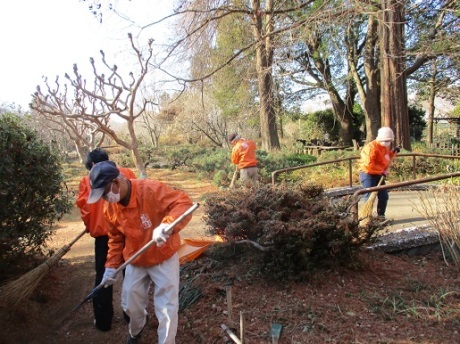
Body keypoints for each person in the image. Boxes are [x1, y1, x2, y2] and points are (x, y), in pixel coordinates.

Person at [87, 160, 193, 344]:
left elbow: (183, 202)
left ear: (116, 182)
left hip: (162, 256)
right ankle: (136, 331)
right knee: (130, 305)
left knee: (167, 307)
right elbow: (115, 238)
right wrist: (111, 267)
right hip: (135, 259)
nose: (105, 199)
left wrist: (167, 225)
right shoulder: (110, 208)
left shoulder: (150, 189)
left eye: (105, 194)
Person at [76, 148, 136, 332]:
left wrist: (91, 225)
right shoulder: (126, 173)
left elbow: (85, 208)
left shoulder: (87, 180)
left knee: (104, 276)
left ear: (93, 165)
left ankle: (103, 322)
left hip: (104, 236)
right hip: (127, 232)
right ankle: (131, 316)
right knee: (131, 274)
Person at [358, 126, 401, 220]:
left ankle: (381, 215)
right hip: (368, 174)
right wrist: (381, 171)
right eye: (386, 140)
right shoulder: (371, 148)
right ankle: (366, 217)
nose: (388, 143)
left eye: (389, 141)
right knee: (369, 196)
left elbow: (386, 157)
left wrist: (393, 152)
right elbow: (369, 164)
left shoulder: (384, 147)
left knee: (383, 196)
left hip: (379, 175)